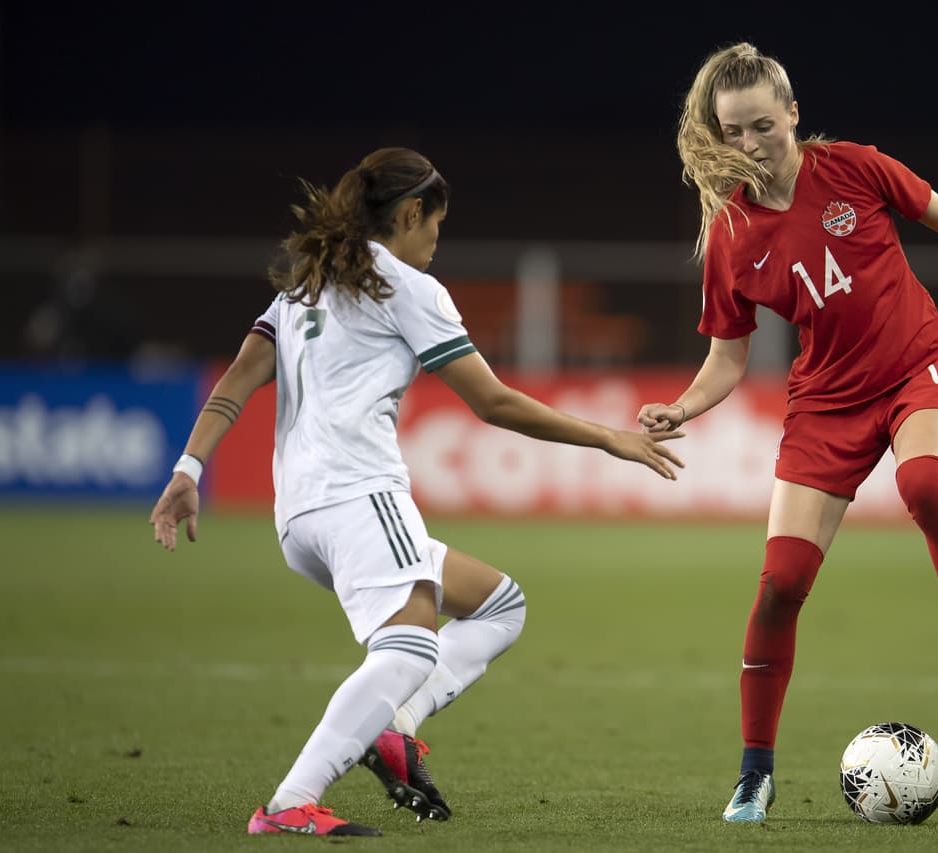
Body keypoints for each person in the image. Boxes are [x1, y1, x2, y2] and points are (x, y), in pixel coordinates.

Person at [149, 147, 684, 837]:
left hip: (299, 518)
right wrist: (608, 438)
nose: (437, 239)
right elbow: (492, 402)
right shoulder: (404, 286)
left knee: (498, 603)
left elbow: (237, 380)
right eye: (435, 223)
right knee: (409, 648)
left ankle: (393, 724)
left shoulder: (304, 287)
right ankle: (290, 802)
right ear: (408, 214)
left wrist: (188, 470)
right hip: (360, 495)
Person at [637, 43, 938, 824]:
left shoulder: (852, 168)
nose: (750, 144)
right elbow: (726, 359)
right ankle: (754, 771)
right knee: (779, 585)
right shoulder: (733, 236)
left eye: (764, 126)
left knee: (924, 484)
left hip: (918, 364)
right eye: (734, 131)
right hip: (826, 405)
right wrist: (682, 406)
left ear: (795, 114)